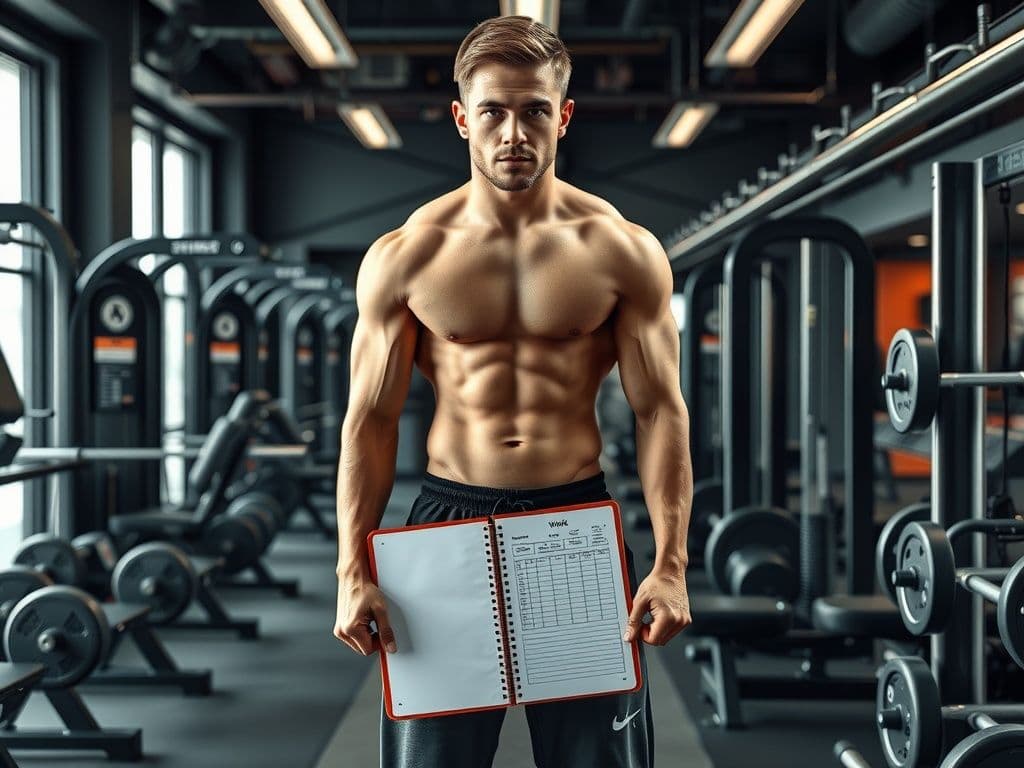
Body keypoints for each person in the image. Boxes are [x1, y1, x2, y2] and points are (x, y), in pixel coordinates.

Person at [334, 14, 693, 768]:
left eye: (534, 110)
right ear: (464, 118)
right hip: (444, 526)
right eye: (493, 111)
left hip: (575, 522)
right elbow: (371, 418)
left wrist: (670, 564)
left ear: (563, 116)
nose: (513, 133)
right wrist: (351, 569)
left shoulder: (621, 250)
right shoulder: (407, 256)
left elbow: (660, 409)